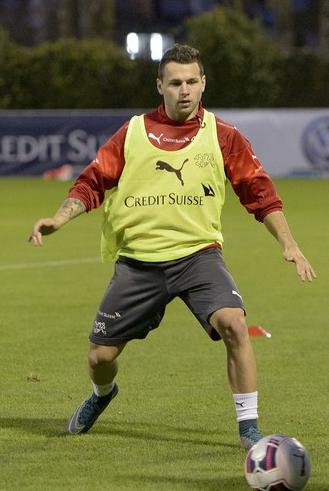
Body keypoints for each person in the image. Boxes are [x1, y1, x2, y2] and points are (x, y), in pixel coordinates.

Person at [29, 44, 316, 448]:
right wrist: (59, 218)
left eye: (192, 82)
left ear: (203, 84)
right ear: (159, 85)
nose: (185, 90)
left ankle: (250, 429)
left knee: (234, 324)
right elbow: (92, 182)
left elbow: (260, 194)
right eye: (176, 82)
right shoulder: (131, 132)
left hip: (199, 257)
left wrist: (290, 244)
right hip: (139, 264)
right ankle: (102, 395)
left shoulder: (224, 136)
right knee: (100, 359)